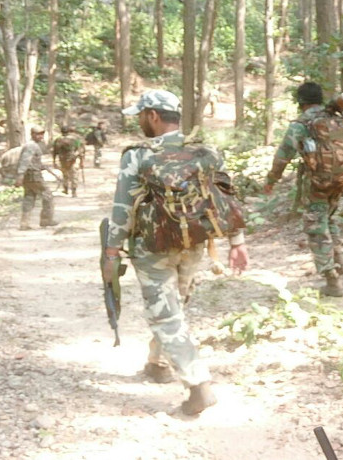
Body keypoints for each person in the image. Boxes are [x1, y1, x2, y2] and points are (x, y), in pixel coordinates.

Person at [102, 89, 249, 415]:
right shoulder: (206, 151)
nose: (140, 122)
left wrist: (112, 250)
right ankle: (157, 363)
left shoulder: (137, 156)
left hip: (152, 248)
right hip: (193, 242)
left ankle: (198, 386)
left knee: (165, 313)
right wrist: (237, 242)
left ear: (153, 116)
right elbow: (226, 197)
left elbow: (122, 206)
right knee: (172, 307)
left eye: (141, 116)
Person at [263, 81, 343, 297]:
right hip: (342, 178)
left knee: (315, 226)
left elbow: (283, 156)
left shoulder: (301, 125)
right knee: (328, 218)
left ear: (300, 102)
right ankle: (340, 258)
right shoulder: (336, 118)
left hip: (318, 183)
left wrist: (271, 180)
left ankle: (332, 280)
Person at [15, 125, 59, 230]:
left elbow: (33, 161)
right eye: (38, 134)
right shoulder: (31, 146)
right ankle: (46, 220)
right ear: (32, 134)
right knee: (47, 195)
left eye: (42, 134)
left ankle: (24, 223)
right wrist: (20, 175)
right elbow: (25, 161)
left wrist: (46, 168)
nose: (41, 136)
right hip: (33, 175)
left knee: (29, 197)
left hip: (30, 175)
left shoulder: (33, 145)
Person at [52, 125, 85, 197]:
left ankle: (66, 189)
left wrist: (54, 161)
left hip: (62, 159)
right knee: (74, 175)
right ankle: (74, 191)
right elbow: (79, 150)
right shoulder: (75, 139)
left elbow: (54, 151)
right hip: (72, 159)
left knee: (65, 174)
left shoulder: (57, 140)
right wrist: (81, 161)